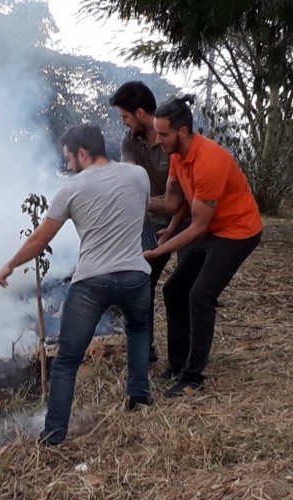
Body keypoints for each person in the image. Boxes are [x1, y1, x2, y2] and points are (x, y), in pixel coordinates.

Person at [0, 123, 153, 444]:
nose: (67, 166)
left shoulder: (71, 190)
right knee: (138, 330)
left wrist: (9, 265)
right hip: (137, 275)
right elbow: (138, 211)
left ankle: (53, 435)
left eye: (68, 159)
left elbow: (39, 240)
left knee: (66, 361)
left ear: (83, 153)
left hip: (92, 281)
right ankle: (139, 397)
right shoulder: (139, 176)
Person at [144, 95, 264, 398]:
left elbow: (198, 226)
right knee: (174, 290)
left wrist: (163, 249)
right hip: (211, 227)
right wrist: (170, 228)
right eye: (157, 133)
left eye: (163, 134)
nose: (158, 140)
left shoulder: (210, 161)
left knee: (200, 295)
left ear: (183, 132)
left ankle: (193, 378)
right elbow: (181, 200)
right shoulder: (177, 155)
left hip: (237, 231)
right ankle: (177, 364)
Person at [109, 81, 188, 363]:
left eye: (126, 117)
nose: (124, 123)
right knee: (142, 283)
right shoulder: (130, 140)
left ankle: (185, 358)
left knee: (184, 290)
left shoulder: (174, 138)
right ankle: (145, 352)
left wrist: (138, 201)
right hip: (150, 222)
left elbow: (173, 202)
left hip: (188, 220)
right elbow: (130, 181)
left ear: (140, 113)